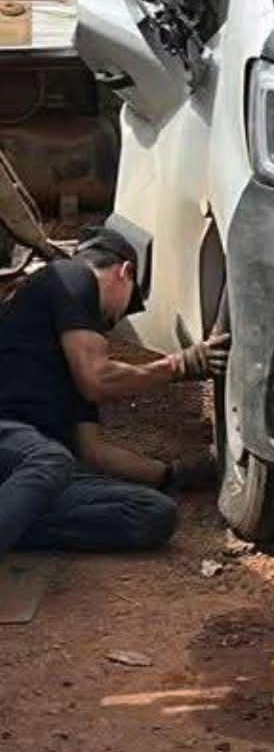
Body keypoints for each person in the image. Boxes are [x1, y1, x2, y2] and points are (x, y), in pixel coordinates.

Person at [0, 229, 228, 555]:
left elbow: (94, 452)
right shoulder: (71, 276)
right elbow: (98, 379)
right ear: (126, 272)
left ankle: (13, 519)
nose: (113, 322)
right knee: (49, 458)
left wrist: (174, 473)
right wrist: (177, 367)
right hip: (15, 445)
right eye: (126, 306)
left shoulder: (72, 368)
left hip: (26, 480)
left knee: (151, 512)